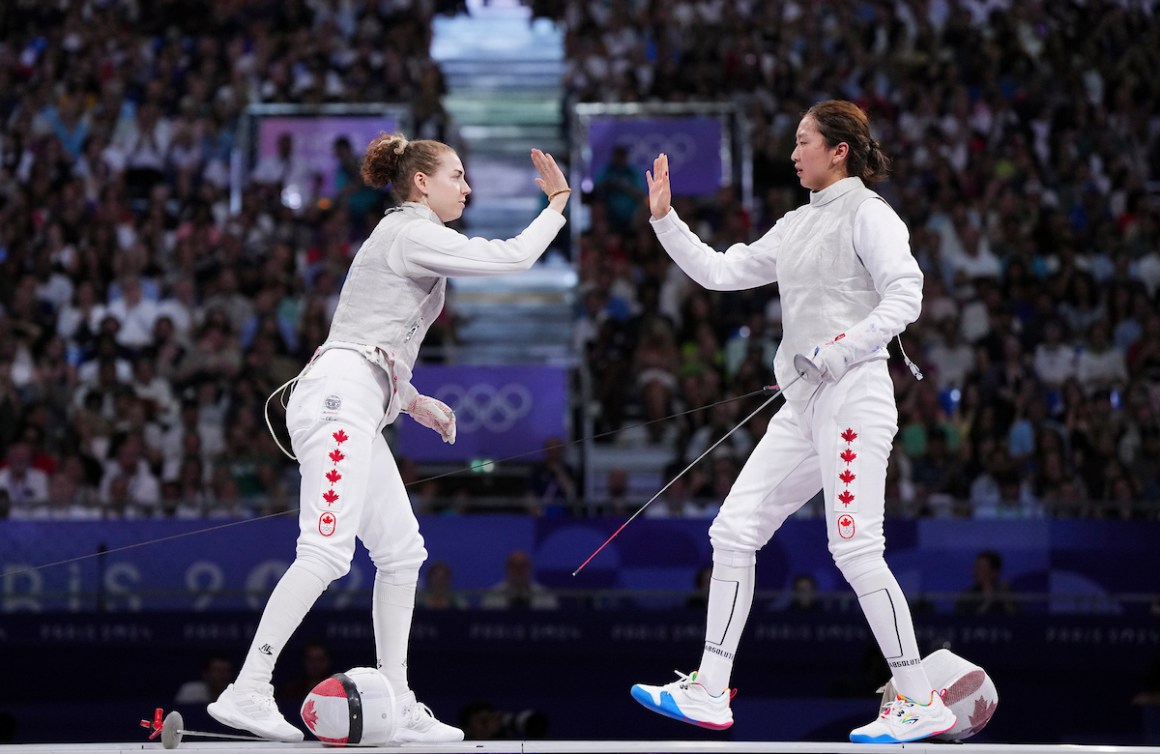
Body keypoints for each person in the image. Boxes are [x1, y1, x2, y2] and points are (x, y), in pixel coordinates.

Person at [207, 132, 571, 743]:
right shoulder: (410, 230)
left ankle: (399, 702)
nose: (468, 186)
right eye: (458, 175)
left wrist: (414, 401)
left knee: (402, 553)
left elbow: (371, 336)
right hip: (337, 400)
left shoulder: (403, 237)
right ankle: (248, 688)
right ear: (422, 182)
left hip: (356, 399)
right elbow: (510, 258)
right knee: (324, 553)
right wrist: (556, 204)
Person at [629, 100, 955, 744]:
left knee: (856, 547)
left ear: (839, 150)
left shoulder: (870, 213)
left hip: (854, 397)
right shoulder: (796, 224)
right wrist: (665, 220)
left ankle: (919, 699)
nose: (793, 152)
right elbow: (722, 272)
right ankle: (710, 689)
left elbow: (906, 294)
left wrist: (839, 350)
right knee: (734, 529)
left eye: (803, 141)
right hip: (802, 405)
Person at [955, 550, 1017, 616]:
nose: (975, 573)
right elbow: (962, 622)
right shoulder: (967, 595)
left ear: (994, 572)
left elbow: (1019, 620)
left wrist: (1006, 600)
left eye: (981, 569)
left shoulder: (1008, 593)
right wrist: (987, 602)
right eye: (975, 568)